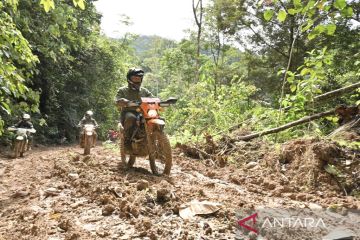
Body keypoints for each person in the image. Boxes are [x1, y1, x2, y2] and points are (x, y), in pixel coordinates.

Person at [115, 68, 153, 147]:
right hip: (129, 112)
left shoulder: (144, 91)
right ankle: (127, 140)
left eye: (139, 78)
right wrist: (123, 101)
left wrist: (160, 102)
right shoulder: (122, 90)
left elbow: (152, 98)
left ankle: (159, 138)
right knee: (131, 117)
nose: (137, 80)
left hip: (144, 112)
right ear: (129, 79)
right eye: (135, 78)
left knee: (157, 118)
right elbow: (117, 100)